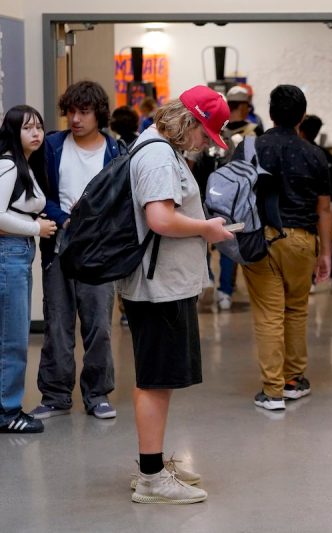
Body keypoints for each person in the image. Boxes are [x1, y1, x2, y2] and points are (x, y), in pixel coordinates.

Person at [119, 85, 233, 504]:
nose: (204, 143)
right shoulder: (157, 156)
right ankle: (151, 478)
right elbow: (160, 219)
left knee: (160, 378)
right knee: (155, 380)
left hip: (165, 283)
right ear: (189, 122)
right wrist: (206, 228)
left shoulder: (160, 149)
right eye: (205, 134)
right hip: (158, 287)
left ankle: (152, 464)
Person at [31, 81, 121, 421]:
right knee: (57, 323)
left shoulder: (115, 151)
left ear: (99, 114)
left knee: (99, 326)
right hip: (59, 247)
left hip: (99, 251)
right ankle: (55, 395)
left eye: (83, 112)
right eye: (71, 112)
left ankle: (97, 394)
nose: (75, 119)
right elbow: (39, 194)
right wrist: (63, 218)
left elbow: (121, 202)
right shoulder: (53, 145)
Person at [241, 85, 332, 412]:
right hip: (302, 240)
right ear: (302, 116)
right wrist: (325, 253)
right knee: (296, 309)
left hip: (261, 237)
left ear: (270, 113)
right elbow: (324, 209)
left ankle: (273, 391)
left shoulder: (252, 148)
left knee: (269, 315)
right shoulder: (315, 154)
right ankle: (294, 380)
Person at [0, 106, 56, 433]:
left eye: (39, 126)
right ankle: (4, 414)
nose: (36, 133)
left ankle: (6, 409)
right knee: (8, 338)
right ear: (13, 131)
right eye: (28, 128)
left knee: (12, 335)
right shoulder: (8, 165)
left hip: (14, 254)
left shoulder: (22, 163)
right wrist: (35, 228)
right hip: (5, 255)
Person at [213, 84, 258, 311]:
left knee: (227, 242)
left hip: (222, 196)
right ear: (243, 105)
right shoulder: (253, 132)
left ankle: (224, 289)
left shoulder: (218, 131)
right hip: (241, 197)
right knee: (238, 242)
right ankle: (226, 288)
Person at [299, 114, 332, 286]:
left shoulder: (301, 153)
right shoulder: (325, 156)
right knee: (326, 236)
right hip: (323, 205)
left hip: (305, 206)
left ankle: (312, 277)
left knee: (309, 239)